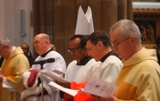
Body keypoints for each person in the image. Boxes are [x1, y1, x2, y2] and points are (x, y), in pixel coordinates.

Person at [93, 19, 160, 101]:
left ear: (132, 40)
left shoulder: (148, 68)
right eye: (112, 44)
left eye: (116, 43)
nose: (114, 48)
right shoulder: (129, 64)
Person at [21, 33, 66, 101]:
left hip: (50, 96)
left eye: (37, 42)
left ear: (46, 42)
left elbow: (57, 77)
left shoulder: (56, 57)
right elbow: (32, 74)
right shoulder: (38, 59)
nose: (35, 45)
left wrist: (39, 84)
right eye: (34, 43)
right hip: (36, 96)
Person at [58, 35, 100, 101]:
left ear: (85, 48)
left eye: (75, 49)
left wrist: (72, 86)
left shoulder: (95, 64)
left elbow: (94, 89)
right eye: (70, 50)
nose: (72, 53)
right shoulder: (71, 64)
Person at [0, 37, 30, 101]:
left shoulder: (20, 58)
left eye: (0, 51)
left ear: (7, 47)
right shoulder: (6, 58)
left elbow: (22, 78)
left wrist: (3, 79)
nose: (0, 54)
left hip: (16, 96)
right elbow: (3, 72)